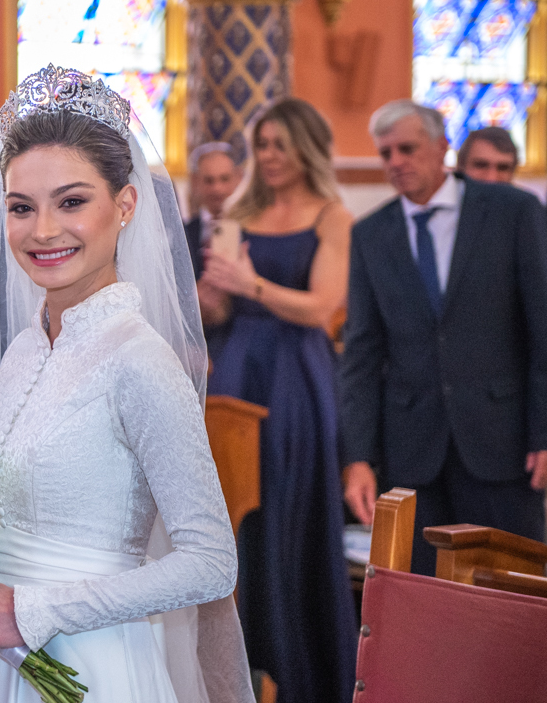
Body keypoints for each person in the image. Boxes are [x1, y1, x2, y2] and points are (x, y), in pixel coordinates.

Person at [0, 66, 251, 703]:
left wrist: (35, 611)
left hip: (94, 668)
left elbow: (211, 563)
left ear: (126, 205)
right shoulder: (26, 347)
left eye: (73, 201)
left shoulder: (139, 358)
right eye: (21, 208)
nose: (44, 230)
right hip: (2, 665)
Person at [340, 100, 547, 578]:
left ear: (441, 147)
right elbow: (362, 355)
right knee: (424, 594)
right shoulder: (372, 233)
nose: (395, 162)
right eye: (386, 152)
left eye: (407, 149)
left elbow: (541, 331)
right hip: (412, 449)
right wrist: (358, 457)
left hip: (504, 439)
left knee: (509, 588)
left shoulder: (512, 211)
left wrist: (543, 431)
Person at [200, 98, 357, 703]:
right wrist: (209, 294)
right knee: (236, 509)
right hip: (239, 365)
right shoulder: (239, 210)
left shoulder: (332, 215)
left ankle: (299, 674)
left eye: (278, 145)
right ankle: (236, 666)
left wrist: (253, 284)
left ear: (306, 148)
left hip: (296, 372)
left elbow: (322, 308)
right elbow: (219, 307)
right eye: (260, 144)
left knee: (290, 508)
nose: (266, 156)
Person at [185, 142, 241, 363]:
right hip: (193, 346)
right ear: (196, 182)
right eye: (209, 180)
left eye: (225, 179)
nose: (218, 189)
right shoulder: (182, 233)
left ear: (238, 178)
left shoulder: (254, 232)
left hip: (239, 340)